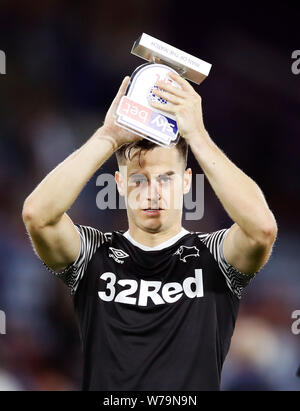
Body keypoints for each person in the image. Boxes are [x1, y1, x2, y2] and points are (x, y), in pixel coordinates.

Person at [22, 72, 278, 391]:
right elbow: (37, 215)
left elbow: (262, 229)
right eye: (139, 180)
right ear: (120, 186)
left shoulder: (214, 257)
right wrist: (107, 137)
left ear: (186, 182)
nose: (153, 192)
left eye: (166, 179)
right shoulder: (92, 254)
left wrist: (197, 135)